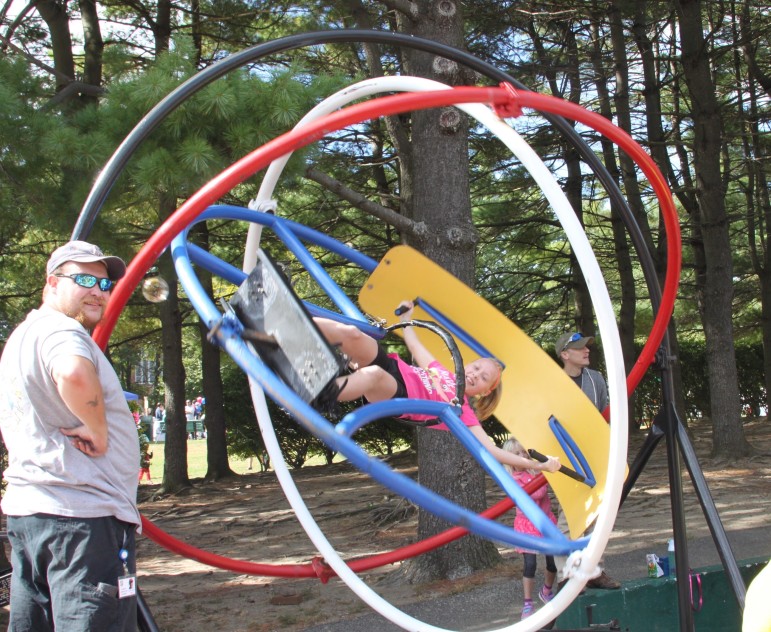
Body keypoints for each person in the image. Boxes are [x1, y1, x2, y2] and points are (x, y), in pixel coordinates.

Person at [0, 240, 141, 631]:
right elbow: (73, 372)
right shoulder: (62, 331)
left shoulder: (20, 339)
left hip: (33, 517)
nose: (97, 290)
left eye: (103, 283)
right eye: (82, 279)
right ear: (52, 283)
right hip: (81, 521)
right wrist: (97, 428)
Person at [312, 300, 561, 474]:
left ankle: (317, 392)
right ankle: (291, 321)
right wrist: (406, 317)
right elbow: (413, 342)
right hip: (393, 367)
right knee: (354, 334)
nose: (475, 375)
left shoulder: (461, 410)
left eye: (483, 378)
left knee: (374, 374)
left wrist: (538, 465)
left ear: (485, 391)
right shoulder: (441, 371)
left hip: (397, 393)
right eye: (476, 368)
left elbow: (490, 449)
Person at [554, 330, 620, 590]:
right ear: (564, 354)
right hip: (563, 455)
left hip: (592, 453)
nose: (586, 351)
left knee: (595, 513)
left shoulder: (595, 379)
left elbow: (601, 414)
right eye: (580, 348)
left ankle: (593, 570)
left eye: (587, 347)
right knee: (568, 514)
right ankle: (566, 575)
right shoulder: (553, 382)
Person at [502, 437, 558, 620]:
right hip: (527, 525)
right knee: (530, 564)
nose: (522, 457)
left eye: (523, 452)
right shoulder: (514, 479)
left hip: (546, 522)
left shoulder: (534, 470)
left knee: (552, 562)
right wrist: (542, 472)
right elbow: (537, 493)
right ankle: (527, 603)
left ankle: (547, 591)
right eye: (516, 454)